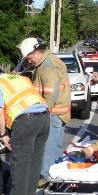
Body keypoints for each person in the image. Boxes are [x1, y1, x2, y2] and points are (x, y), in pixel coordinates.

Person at [0, 66, 49, 195]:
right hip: (44, 118)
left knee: (19, 161)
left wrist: (3, 134)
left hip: (26, 121)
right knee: (34, 161)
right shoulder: (21, 79)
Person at [16, 37, 71, 186]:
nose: (29, 61)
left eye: (29, 57)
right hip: (58, 112)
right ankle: (55, 174)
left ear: (36, 52)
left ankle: (48, 176)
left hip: (52, 113)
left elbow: (50, 93)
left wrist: (44, 112)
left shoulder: (46, 67)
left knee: (49, 146)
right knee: (55, 146)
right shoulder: (48, 62)